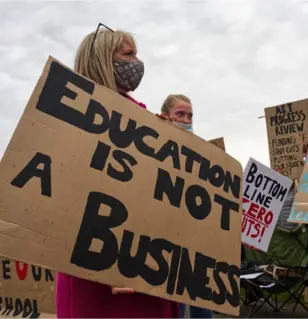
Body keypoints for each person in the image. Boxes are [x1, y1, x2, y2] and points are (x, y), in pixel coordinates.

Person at [56, 24, 179, 318]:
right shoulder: (75, 114)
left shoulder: (143, 118)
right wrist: (109, 262)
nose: (137, 63)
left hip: (147, 268)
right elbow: (66, 197)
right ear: (102, 59)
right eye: (129, 54)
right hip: (100, 273)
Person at [160, 94, 212, 319]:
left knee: (201, 300)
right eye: (180, 114)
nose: (186, 119)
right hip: (167, 238)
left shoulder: (200, 152)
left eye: (190, 115)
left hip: (196, 239)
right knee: (174, 304)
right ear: (166, 116)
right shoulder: (155, 145)